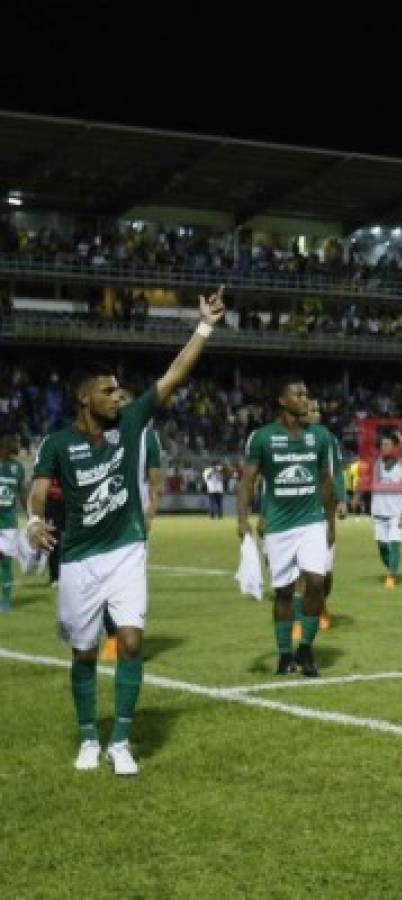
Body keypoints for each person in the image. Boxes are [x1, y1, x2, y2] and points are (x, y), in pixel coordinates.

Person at [25, 287, 226, 776]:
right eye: (109, 390)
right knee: (84, 652)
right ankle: (89, 738)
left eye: (119, 391)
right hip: (77, 558)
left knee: (132, 641)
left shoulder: (133, 423)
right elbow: (40, 489)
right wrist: (33, 521)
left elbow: (176, 374)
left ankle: (120, 740)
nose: (119, 397)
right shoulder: (57, 443)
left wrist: (204, 326)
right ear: (84, 397)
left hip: (125, 551)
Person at [238, 377, 338, 678]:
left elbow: (325, 482)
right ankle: (284, 654)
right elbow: (248, 481)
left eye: (307, 394)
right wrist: (242, 519)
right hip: (279, 526)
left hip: (312, 523)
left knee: (316, 583)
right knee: (282, 593)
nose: (306, 399)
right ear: (282, 401)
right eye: (299, 394)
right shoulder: (262, 437)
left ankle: (305, 649)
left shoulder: (320, 436)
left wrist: (330, 522)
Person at [101, 389, 163, 662]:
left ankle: (122, 638)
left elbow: (155, 480)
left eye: (126, 401)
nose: (120, 405)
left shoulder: (148, 438)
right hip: (100, 520)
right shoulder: (97, 434)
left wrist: (150, 513)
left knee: (129, 584)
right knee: (100, 583)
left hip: (133, 522)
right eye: (116, 400)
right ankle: (111, 635)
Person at [288, 398, 346, 634]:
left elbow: (335, 472)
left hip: (324, 511)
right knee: (302, 570)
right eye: (312, 409)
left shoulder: (327, 439)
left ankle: (321, 602)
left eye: (318, 409)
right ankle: (299, 618)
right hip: (299, 512)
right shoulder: (290, 437)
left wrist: (340, 499)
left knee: (325, 574)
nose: (316, 413)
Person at [361, 431, 402, 590]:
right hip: (378, 512)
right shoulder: (376, 464)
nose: (384, 447)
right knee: (382, 546)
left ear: (394, 447)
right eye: (382, 444)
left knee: (395, 543)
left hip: (396, 513)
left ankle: (391, 576)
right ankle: (391, 568)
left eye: (387, 444)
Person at [0, 433, 28, 612]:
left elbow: (22, 494)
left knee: (5, 562)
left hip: (8, 522)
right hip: (7, 522)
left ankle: (5, 601)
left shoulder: (18, 468)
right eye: (11, 445)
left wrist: (30, 516)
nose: (14, 448)